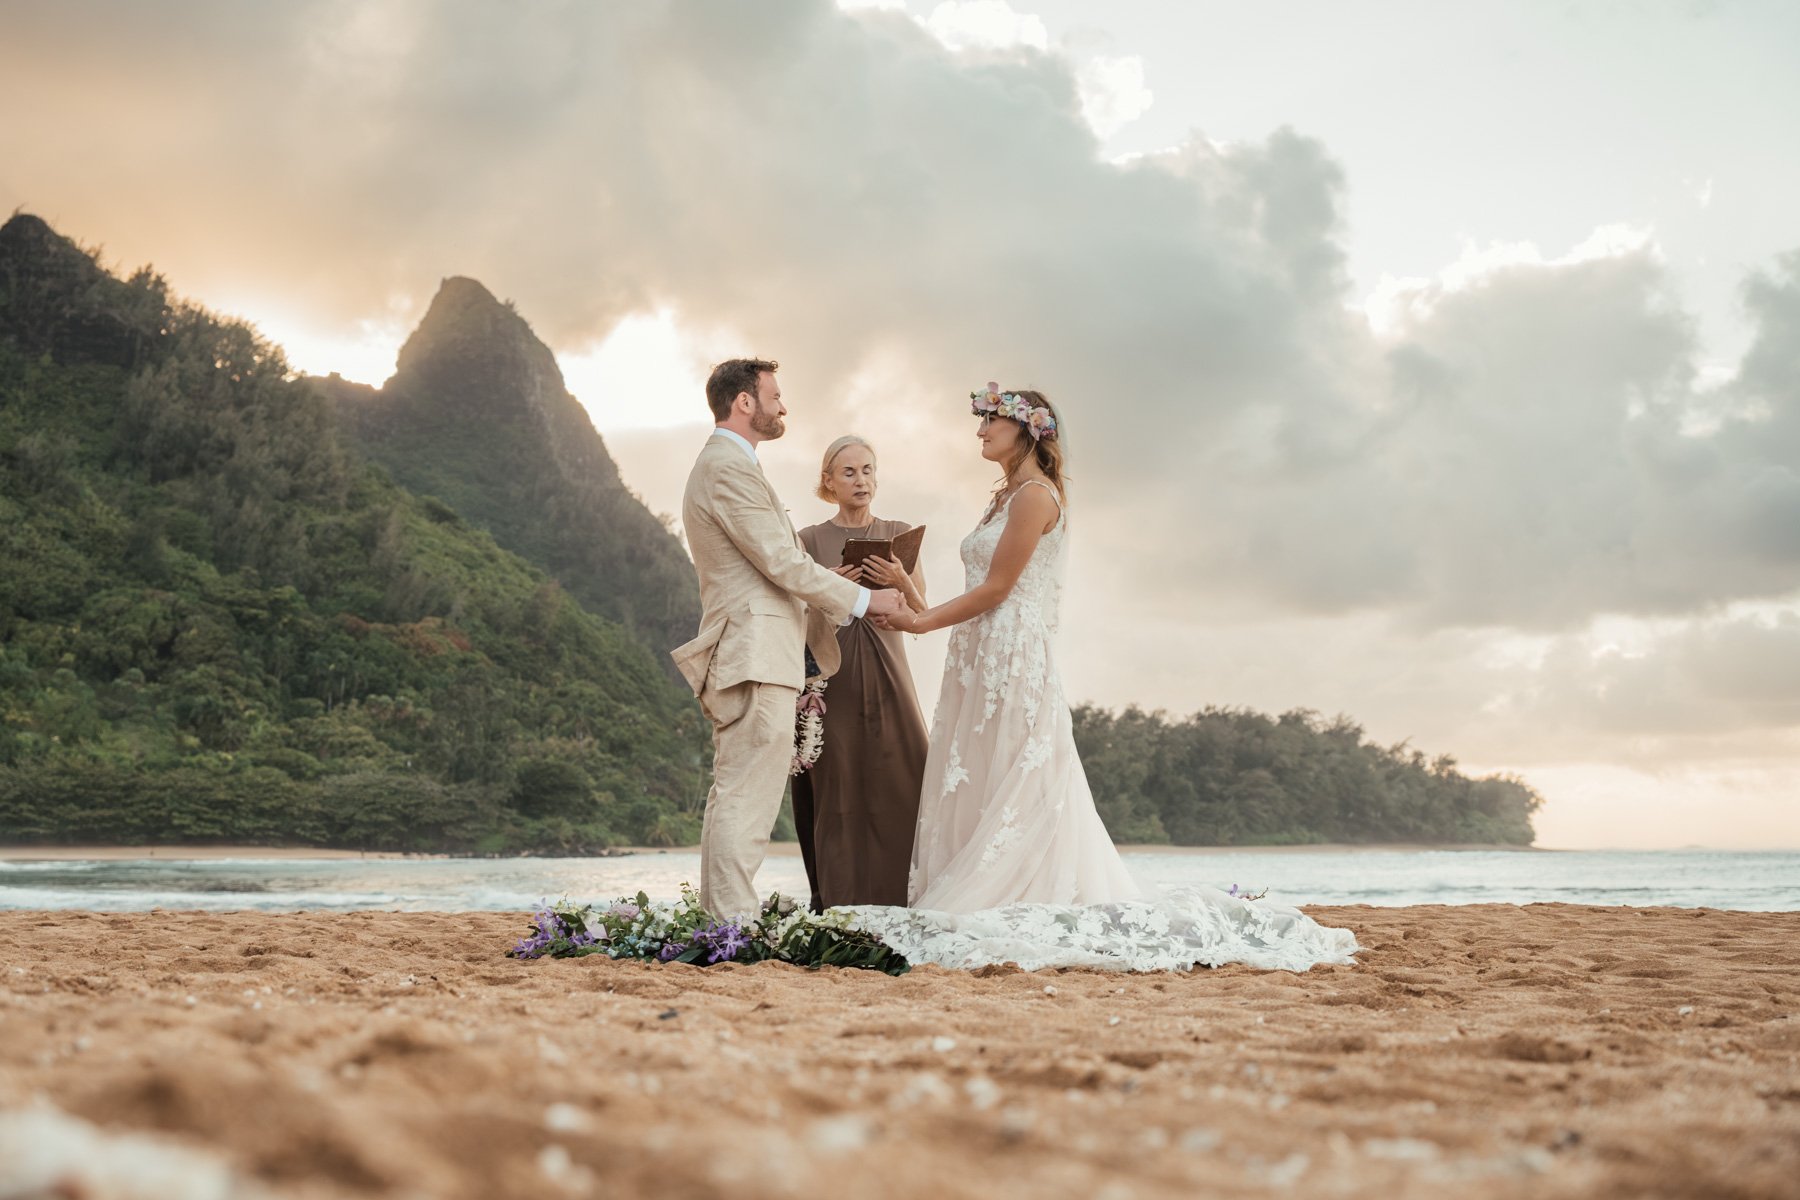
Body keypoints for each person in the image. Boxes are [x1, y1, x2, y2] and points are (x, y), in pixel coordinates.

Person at [856, 384, 1358, 972]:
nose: (980, 431)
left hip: (1013, 657)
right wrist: (910, 590)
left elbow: (998, 591)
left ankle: (1020, 892)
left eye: (990, 421)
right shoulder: (1002, 500)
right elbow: (978, 593)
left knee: (1019, 775)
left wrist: (916, 624)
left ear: (1025, 428)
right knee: (978, 774)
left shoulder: (1035, 497)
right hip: (977, 653)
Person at [671, 359, 904, 920]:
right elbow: (779, 560)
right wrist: (867, 600)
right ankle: (732, 926)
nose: (782, 406)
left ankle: (721, 922)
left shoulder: (731, 465)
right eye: (774, 396)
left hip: (761, 650)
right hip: (753, 650)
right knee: (746, 795)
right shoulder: (727, 466)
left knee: (739, 792)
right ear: (745, 403)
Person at [790, 435, 930, 909]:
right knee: (838, 786)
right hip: (833, 674)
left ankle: (906, 900)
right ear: (828, 481)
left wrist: (899, 579)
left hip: (891, 667)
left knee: (907, 777)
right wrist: (832, 588)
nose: (861, 480)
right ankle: (837, 903)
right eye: (848, 472)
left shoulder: (899, 531)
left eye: (868, 470)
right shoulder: (808, 540)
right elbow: (797, 620)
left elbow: (921, 613)